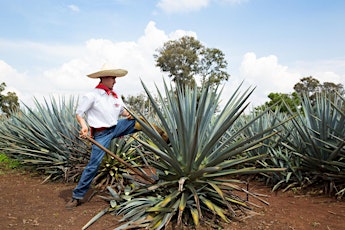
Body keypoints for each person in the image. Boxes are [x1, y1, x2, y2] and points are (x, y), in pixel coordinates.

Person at [65, 64, 141, 209]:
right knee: (93, 165)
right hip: (101, 134)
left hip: (116, 127)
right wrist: (84, 126)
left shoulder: (115, 95)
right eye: (113, 78)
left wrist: (128, 115)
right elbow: (79, 113)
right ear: (104, 78)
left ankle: (166, 139)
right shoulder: (92, 95)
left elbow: (122, 112)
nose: (115, 81)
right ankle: (77, 196)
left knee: (140, 122)